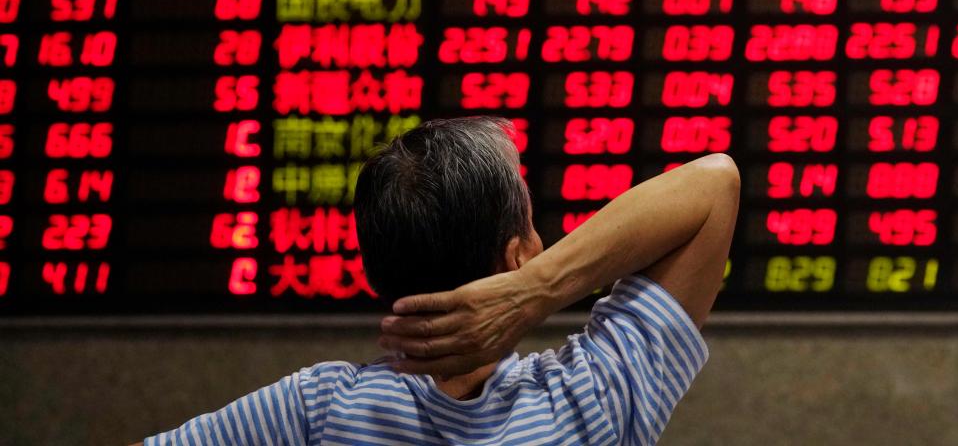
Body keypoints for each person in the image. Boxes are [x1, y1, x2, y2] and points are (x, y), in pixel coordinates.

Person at [135, 116, 740, 445]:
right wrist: (539, 291)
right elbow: (715, 183)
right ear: (515, 257)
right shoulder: (591, 401)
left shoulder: (314, 410)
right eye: (532, 223)